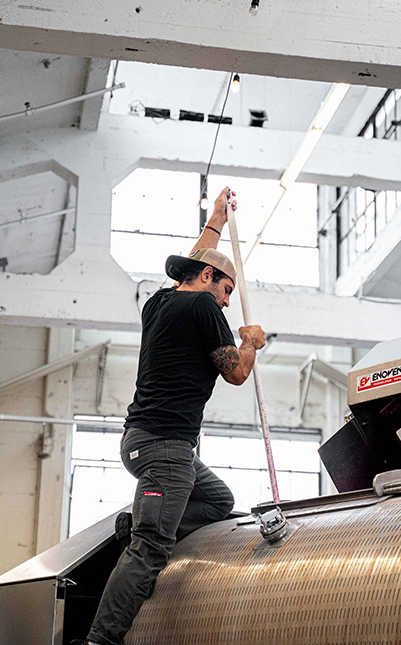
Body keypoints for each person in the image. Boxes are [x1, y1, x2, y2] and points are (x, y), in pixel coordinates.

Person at [74, 187, 266, 645]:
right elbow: (236, 373)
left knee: (218, 501)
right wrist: (251, 343)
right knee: (151, 549)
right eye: (226, 290)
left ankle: (140, 523)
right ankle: (101, 640)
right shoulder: (202, 306)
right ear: (207, 278)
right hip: (166, 447)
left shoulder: (158, 303)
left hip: (141, 441)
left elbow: (200, 259)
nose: (225, 302)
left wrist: (216, 219)